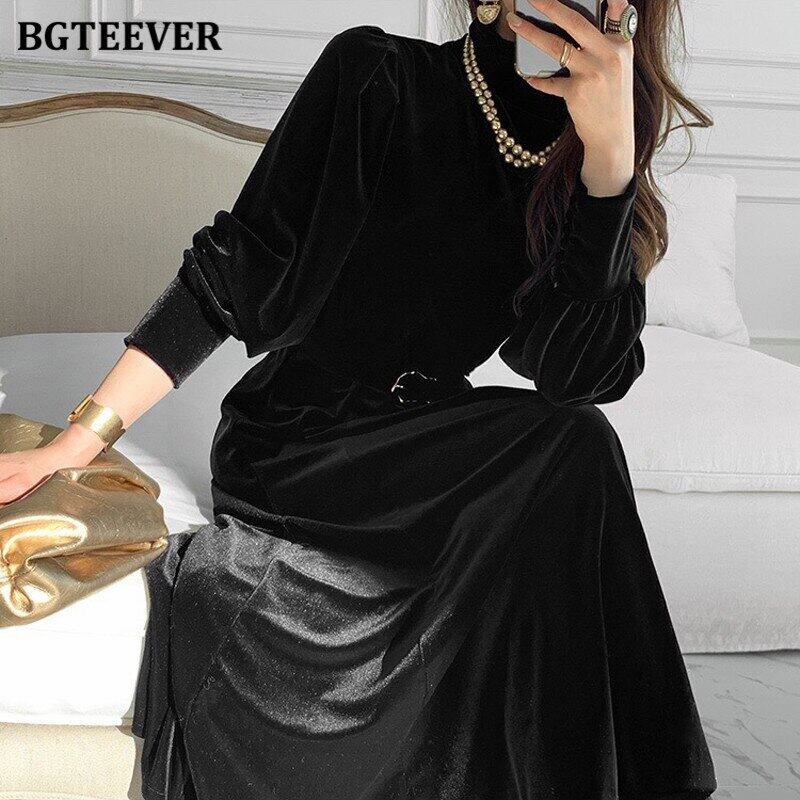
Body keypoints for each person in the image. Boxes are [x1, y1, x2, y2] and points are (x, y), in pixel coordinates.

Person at [0, 0, 718, 797]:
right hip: (299, 441)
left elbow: (577, 373)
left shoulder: (592, 147)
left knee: (573, 441)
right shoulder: (379, 77)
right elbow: (237, 272)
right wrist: (79, 439)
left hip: (423, 445)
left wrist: (609, 167)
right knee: (571, 449)